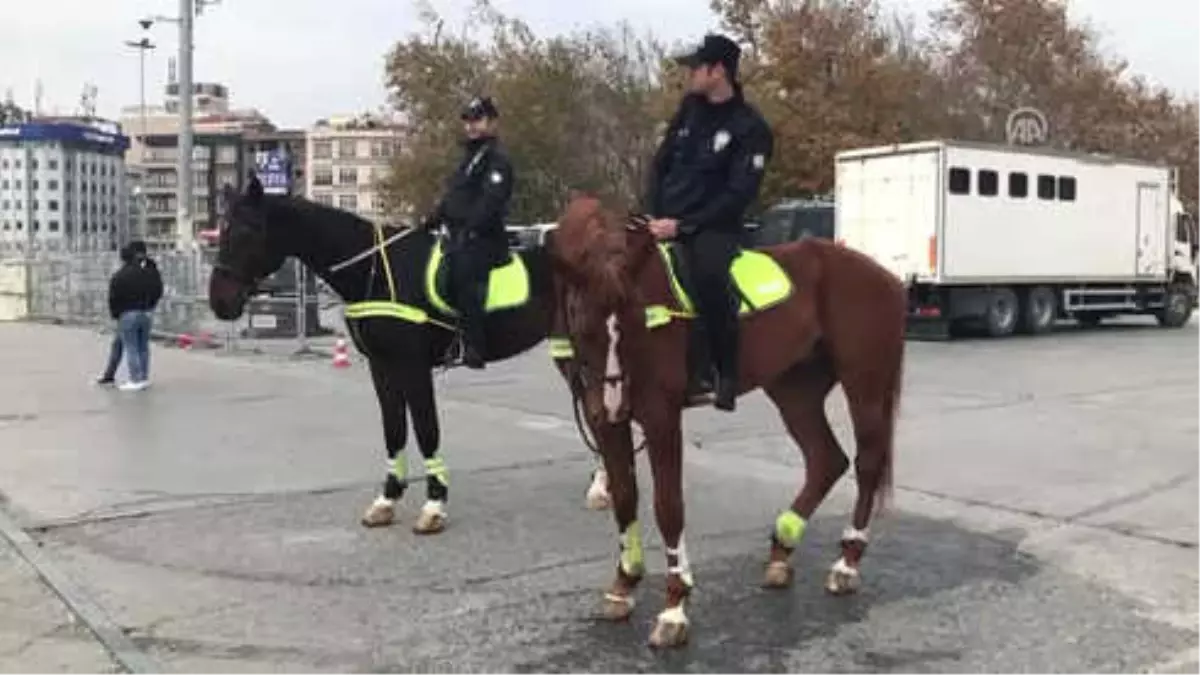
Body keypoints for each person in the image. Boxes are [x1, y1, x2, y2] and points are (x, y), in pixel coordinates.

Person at [641, 33, 775, 412]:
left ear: (718, 71)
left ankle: (721, 372)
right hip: (662, 220)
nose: (690, 74)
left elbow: (738, 195)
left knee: (709, 277)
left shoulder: (751, 128)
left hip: (714, 229)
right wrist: (653, 213)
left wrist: (683, 227)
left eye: (696, 67)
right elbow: (661, 163)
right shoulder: (689, 109)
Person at [420, 95, 515, 370]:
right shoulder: (468, 158)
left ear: (492, 122)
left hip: (484, 239)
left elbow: (491, 201)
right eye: (469, 121)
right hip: (458, 236)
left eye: (478, 120)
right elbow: (453, 199)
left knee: (464, 272)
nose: (472, 126)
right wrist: (430, 221)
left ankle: (475, 344)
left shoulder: (497, 160)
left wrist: (468, 229)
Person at [102, 240, 163, 391]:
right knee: (142, 347)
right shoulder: (150, 272)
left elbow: (113, 296)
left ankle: (135, 379)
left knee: (131, 347)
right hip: (146, 313)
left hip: (127, 313)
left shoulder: (120, 275)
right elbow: (158, 290)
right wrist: (151, 305)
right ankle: (141, 377)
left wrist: (116, 314)